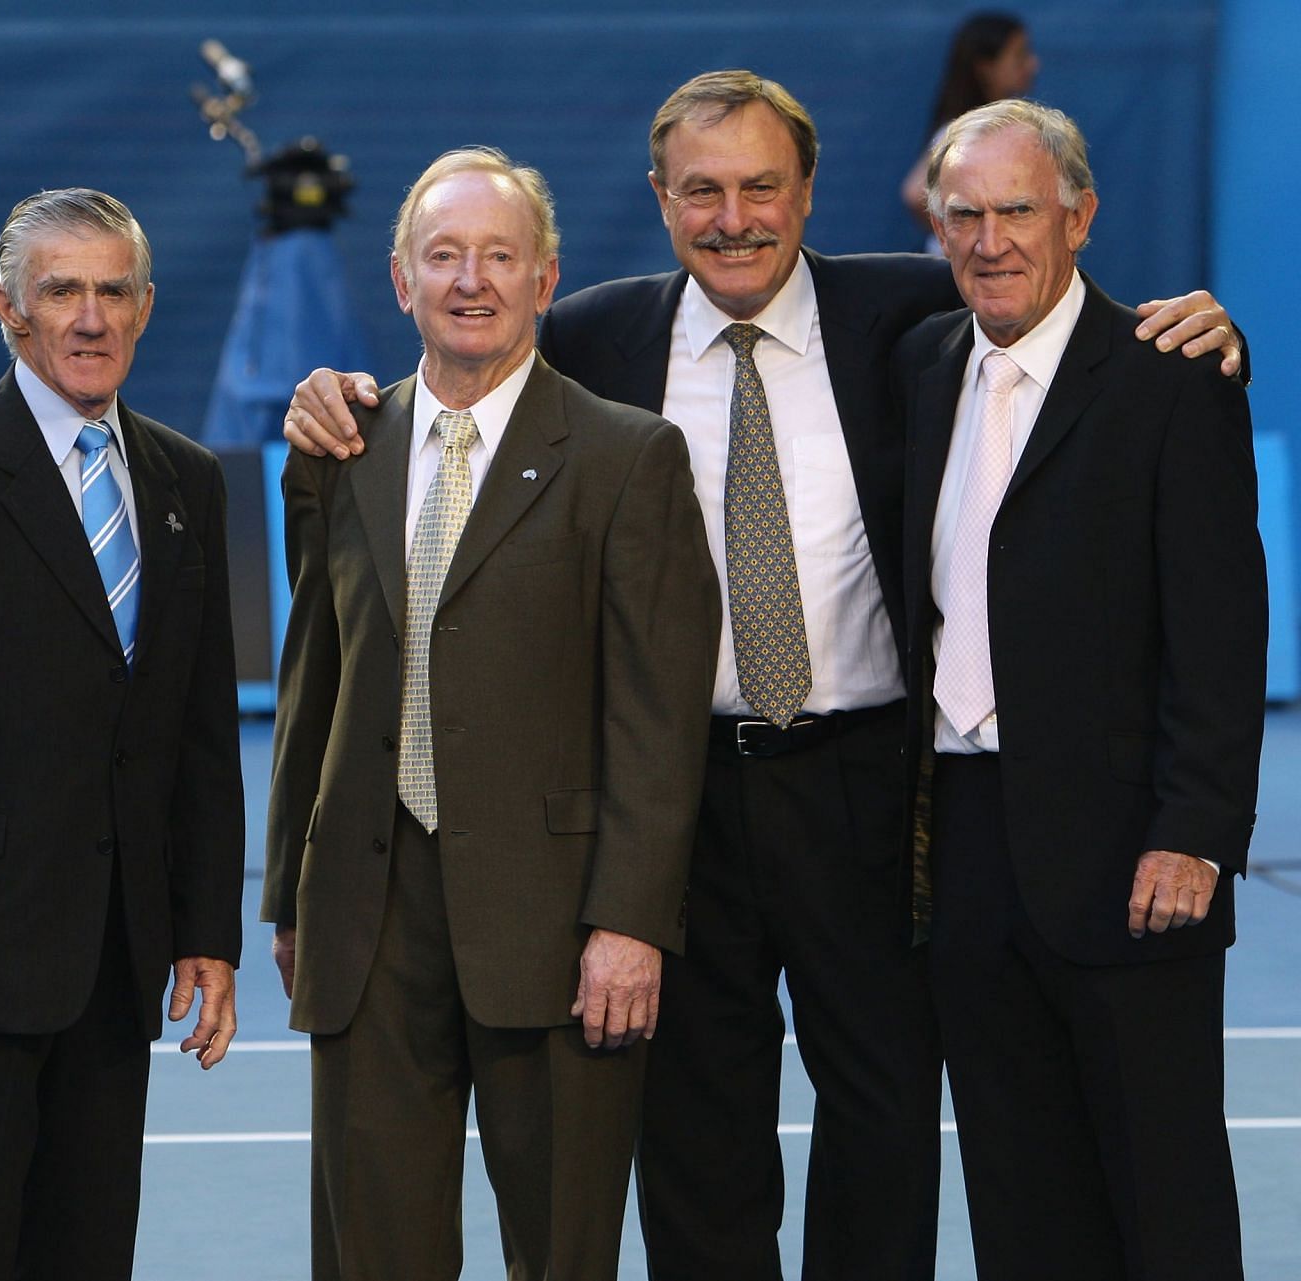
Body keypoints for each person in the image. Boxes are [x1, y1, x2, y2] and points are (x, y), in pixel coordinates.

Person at [283, 70, 1242, 1281]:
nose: (732, 217)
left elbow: (1050, 321)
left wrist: (1210, 327)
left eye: (759, 188)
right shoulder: (595, 336)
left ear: (806, 193)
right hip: (673, 799)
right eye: (702, 190)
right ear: (660, 198)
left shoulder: (906, 311)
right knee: (694, 1131)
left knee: (884, 1119)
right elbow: (461, 358)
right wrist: (342, 394)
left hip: (869, 789)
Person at [264, 146, 719, 1281]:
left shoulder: (628, 457)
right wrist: (289, 895)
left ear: (546, 279)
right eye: (444, 256)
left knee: (562, 1254)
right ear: (401, 279)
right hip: (368, 915)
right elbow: (314, 677)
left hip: (560, 925)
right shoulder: (340, 451)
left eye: (499, 257)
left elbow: (659, 723)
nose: (472, 281)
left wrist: (630, 922)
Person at [0, 187, 246, 1281]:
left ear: (147, 308)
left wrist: (208, 928)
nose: (89, 317)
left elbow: (202, 729)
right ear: (8, 310)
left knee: (88, 1252)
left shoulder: (186, 481)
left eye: (113, 291)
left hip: (120, 956)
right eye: (60, 291)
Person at [898, 98, 1262, 1281]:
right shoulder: (914, 366)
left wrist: (1197, 835)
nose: (990, 240)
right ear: (937, 227)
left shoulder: (1172, 374)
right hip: (960, 854)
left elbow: (1221, 630)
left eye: (1018, 211)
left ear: (1081, 217)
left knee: (1165, 1200)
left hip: (1130, 862)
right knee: (1018, 1192)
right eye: (965, 216)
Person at [900, 13, 1039, 252]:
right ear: (986, 67)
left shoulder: (1003, 127)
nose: (1032, 64)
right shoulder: (964, 133)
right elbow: (914, 193)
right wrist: (964, 238)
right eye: (1019, 55)